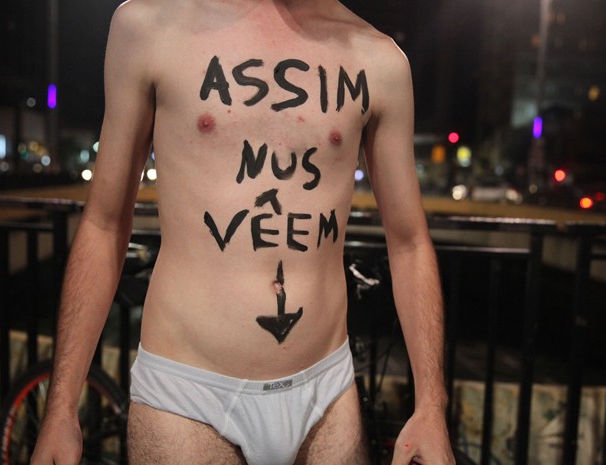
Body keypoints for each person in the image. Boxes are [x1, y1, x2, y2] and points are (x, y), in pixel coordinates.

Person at [31, 0, 455, 464]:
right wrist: (61, 408)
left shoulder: (379, 59)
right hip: (189, 395)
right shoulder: (152, 26)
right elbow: (105, 222)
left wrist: (432, 405)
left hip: (327, 391)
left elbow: (410, 242)